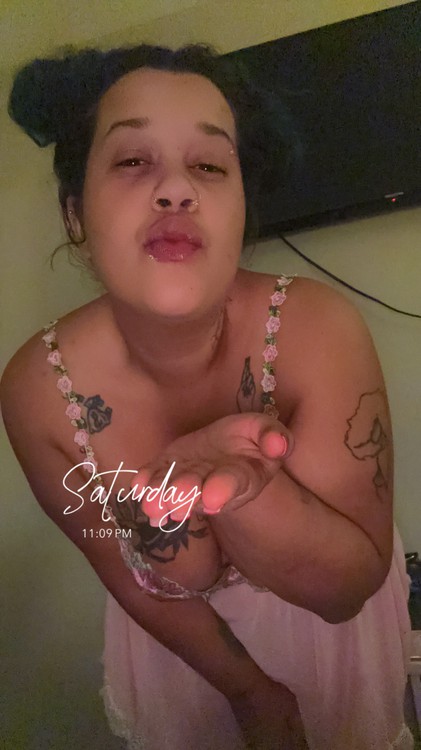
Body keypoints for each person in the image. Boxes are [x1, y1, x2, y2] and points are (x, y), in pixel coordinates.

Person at [1, 43, 414, 750]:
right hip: (186, 658)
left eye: (209, 166)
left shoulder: (317, 329)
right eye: (134, 160)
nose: (175, 190)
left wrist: (249, 495)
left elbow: (345, 588)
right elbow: (128, 580)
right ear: (73, 213)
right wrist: (249, 692)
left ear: (241, 208)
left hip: (330, 641)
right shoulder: (38, 390)